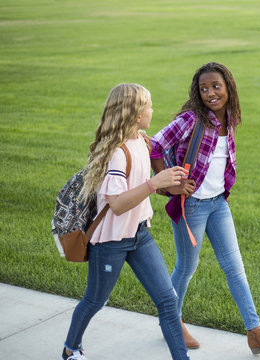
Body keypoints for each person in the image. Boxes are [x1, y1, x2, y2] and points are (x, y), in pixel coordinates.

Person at [150, 62, 260, 354]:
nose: (211, 93)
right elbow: (155, 145)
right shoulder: (191, 119)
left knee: (235, 268)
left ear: (228, 86)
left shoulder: (229, 117)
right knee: (187, 266)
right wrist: (170, 185)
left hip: (218, 204)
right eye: (204, 89)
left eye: (216, 86)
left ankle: (254, 330)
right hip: (192, 207)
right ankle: (171, 322)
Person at [61, 83, 190, 360]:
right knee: (95, 300)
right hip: (110, 242)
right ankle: (70, 349)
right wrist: (154, 184)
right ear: (134, 112)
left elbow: (143, 185)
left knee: (168, 300)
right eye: (149, 105)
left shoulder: (143, 141)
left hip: (140, 236)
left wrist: (169, 185)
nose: (152, 110)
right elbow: (118, 204)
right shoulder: (117, 153)